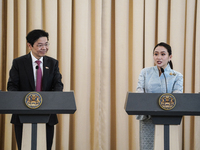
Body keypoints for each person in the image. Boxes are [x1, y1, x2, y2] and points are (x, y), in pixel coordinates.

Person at [7, 29, 63, 150]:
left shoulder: (53, 63)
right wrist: (22, 102)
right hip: (22, 115)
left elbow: (58, 85)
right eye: (40, 45)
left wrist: (52, 100)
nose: (44, 48)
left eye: (46, 44)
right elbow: (12, 86)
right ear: (29, 45)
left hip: (47, 115)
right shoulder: (18, 63)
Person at [136, 42, 183, 150]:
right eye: (156, 54)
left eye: (163, 54)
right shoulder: (145, 72)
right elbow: (139, 91)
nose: (159, 57)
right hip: (148, 117)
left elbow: (177, 95)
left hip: (169, 117)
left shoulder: (177, 76)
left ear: (169, 57)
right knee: (148, 147)